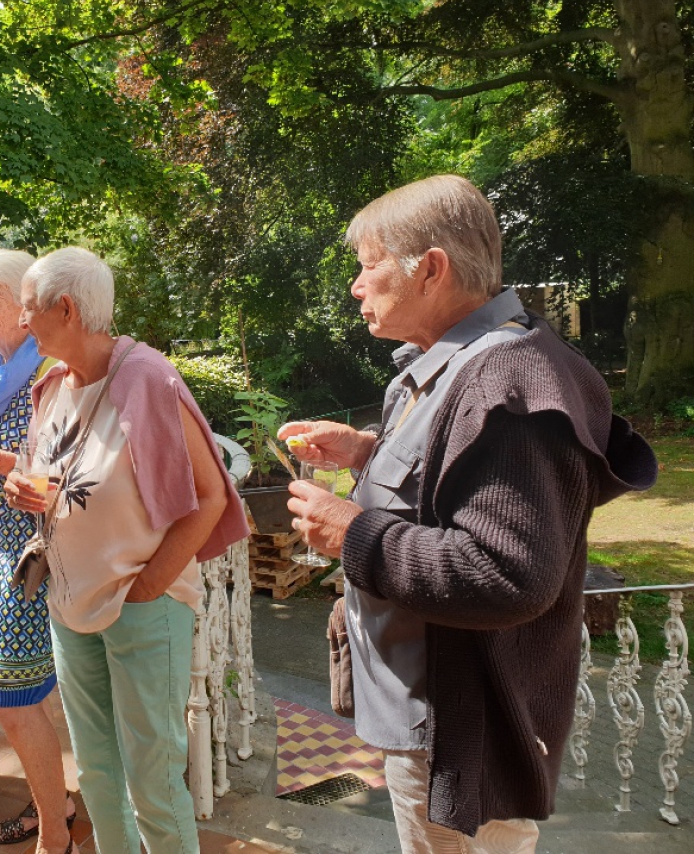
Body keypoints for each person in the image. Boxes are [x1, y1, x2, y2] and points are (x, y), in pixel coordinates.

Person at [279, 175, 657, 853]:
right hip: (433, 728)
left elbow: (508, 574)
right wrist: (369, 454)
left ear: (430, 270)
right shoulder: (454, 364)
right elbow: (456, 482)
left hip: (456, 736)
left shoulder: (504, 383)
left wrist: (352, 532)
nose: (356, 288)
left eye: (367, 268)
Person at [5, 247, 249, 854]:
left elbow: (212, 495)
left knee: (153, 782)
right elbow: (52, 473)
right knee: (96, 772)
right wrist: (20, 482)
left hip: (142, 605)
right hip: (70, 603)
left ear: (65, 309)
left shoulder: (144, 377)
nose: (22, 321)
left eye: (28, 309)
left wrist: (146, 587)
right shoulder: (55, 386)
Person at [0, 249, 75, 851]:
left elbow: (77, 471)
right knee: (9, 700)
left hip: (28, 556)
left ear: (27, 310)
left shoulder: (49, 371)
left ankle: (56, 835)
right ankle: (59, 808)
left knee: (11, 700)